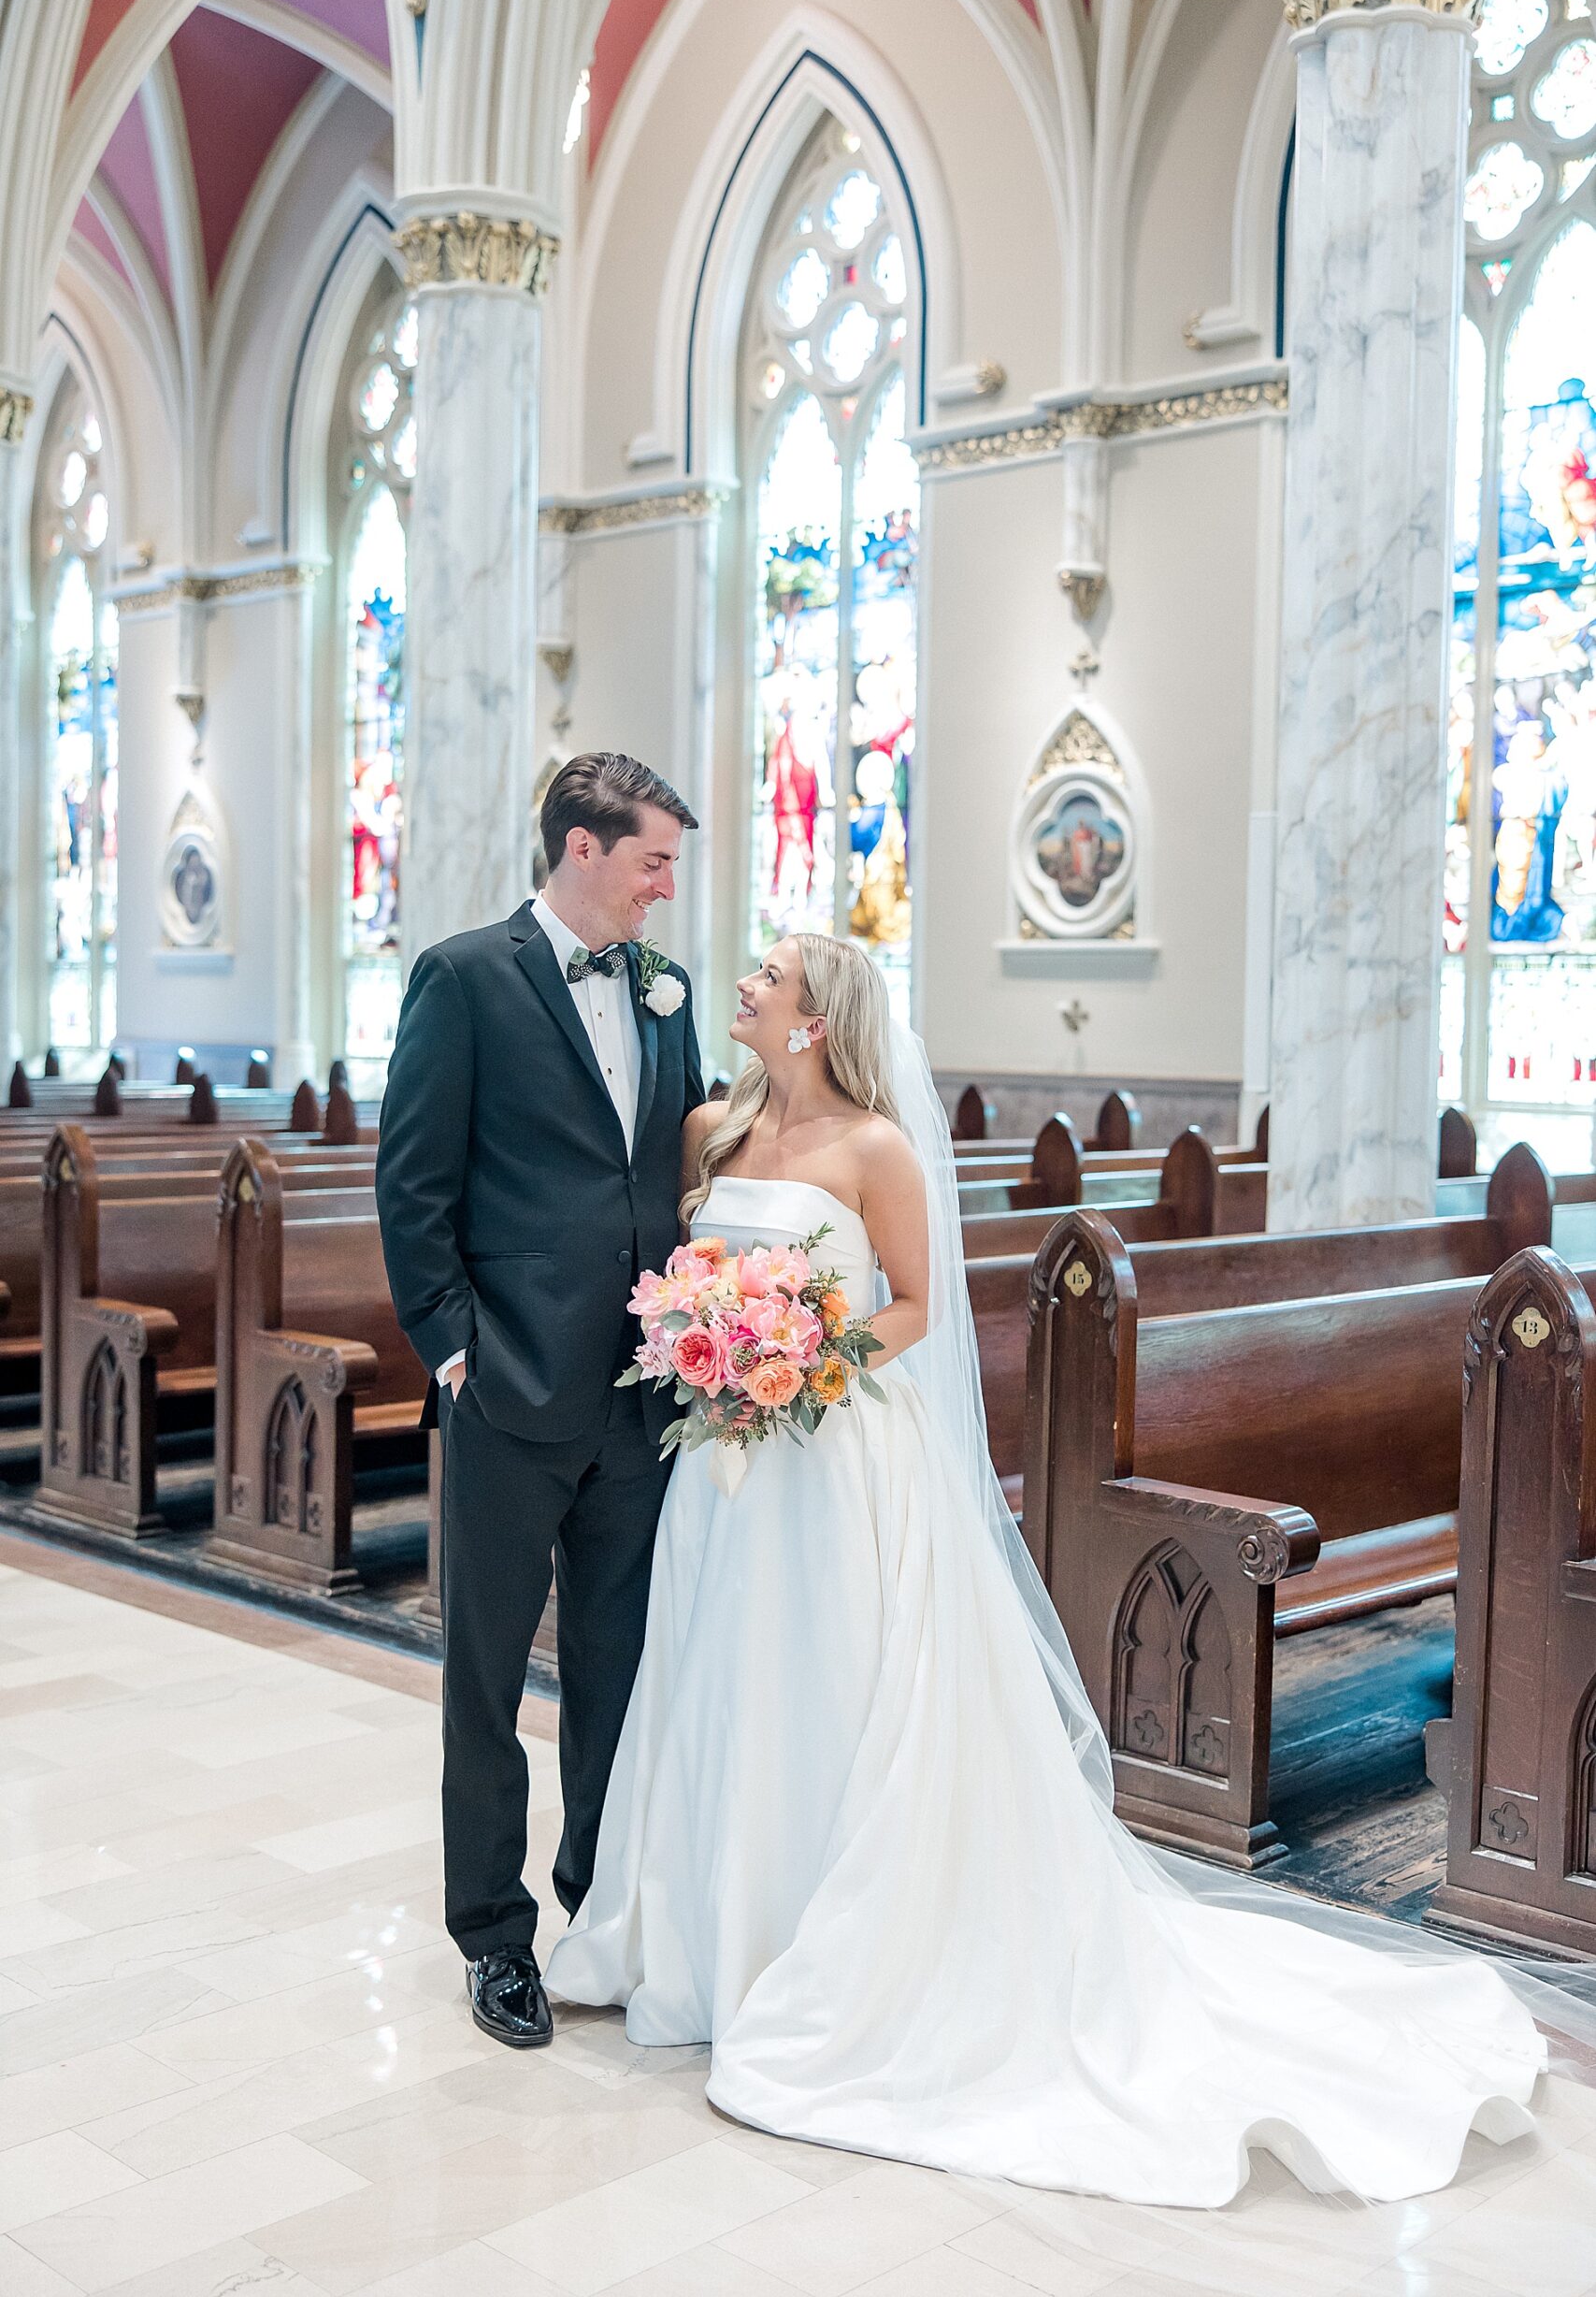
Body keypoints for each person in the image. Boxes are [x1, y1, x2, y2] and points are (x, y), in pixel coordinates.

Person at [546, 930, 1593, 2205]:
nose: (746, 985)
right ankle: (701, 1938)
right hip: (726, 1469)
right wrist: (707, 1343)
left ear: (816, 1020)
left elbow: (915, 1307)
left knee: (825, 1682)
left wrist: (796, 1362)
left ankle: (825, 1947)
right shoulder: (711, 1127)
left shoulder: (876, 1148)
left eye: (771, 978)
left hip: (825, 1452)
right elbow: (686, 1275)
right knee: (719, 1679)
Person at [377, 752, 705, 2051]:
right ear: (583, 847)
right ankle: (494, 1936)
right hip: (508, 1388)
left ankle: (600, 1911)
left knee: (619, 1677)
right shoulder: (464, 979)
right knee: (485, 1680)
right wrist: (455, 1354)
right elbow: (415, 1192)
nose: (666, 888)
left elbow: (672, 1162)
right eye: (652, 861)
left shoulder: (661, 991)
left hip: (637, 1398)